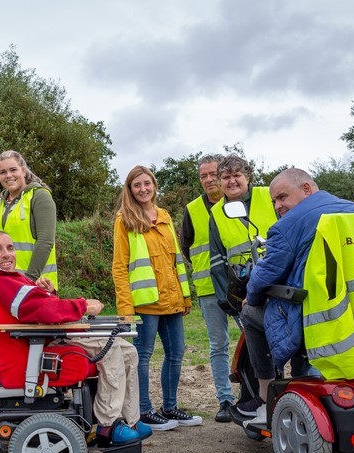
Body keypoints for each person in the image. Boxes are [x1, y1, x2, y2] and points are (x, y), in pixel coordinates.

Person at [0, 231, 151, 444]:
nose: (6, 254)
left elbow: (39, 305)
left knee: (128, 351)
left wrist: (49, 292)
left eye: (10, 248)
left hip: (47, 335)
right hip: (43, 341)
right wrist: (83, 305)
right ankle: (108, 425)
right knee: (112, 350)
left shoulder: (12, 277)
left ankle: (131, 419)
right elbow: (38, 311)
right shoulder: (3, 280)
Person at [235, 169, 354, 426]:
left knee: (250, 312)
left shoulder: (289, 224)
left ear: (306, 188)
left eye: (282, 197)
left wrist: (252, 297)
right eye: (274, 201)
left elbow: (265, 275)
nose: (278, 205)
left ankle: (264, 397)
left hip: (315, 317)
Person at [112, 165, 200, 431]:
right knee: (143, 356)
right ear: (130, 189)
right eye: (136, 185)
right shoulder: (124, 219)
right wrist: (126, 308)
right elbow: (120, 267)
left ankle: (170, 407)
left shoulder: (164, 216)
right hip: (145, 304)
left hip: (172, 300)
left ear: (154, 185)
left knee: (176, 354)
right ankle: (144, 410)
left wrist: (186, 297)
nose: (143, 189)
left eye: (146, 184)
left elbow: (176, 262)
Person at [180, 154, 235, 422]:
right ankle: (225, 400)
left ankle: (254, 395)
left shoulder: (238, 202)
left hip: (242, 285)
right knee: (218, 345)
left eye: (213, 174)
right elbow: (186, 247)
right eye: (203, 175)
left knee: (255, 342)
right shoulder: (191, 209)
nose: (209, 179)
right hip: (208, 288)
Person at [209, 154, 278, 313]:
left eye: (237, 175)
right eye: (226, 177)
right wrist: (226, 299)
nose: (232, 181)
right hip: (243, 285)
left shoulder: (269, 195)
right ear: (220, 182)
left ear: (247, 177)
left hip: (278, 280)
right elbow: (217, 260)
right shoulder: (216, 212)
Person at [0, 150, 58, 287]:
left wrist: (29, 280)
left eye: (13, 170)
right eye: (3, 172)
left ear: (23, 171)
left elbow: (46, 241)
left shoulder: (39, 196)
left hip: (37, 284)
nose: (8, 175)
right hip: (6, 283)